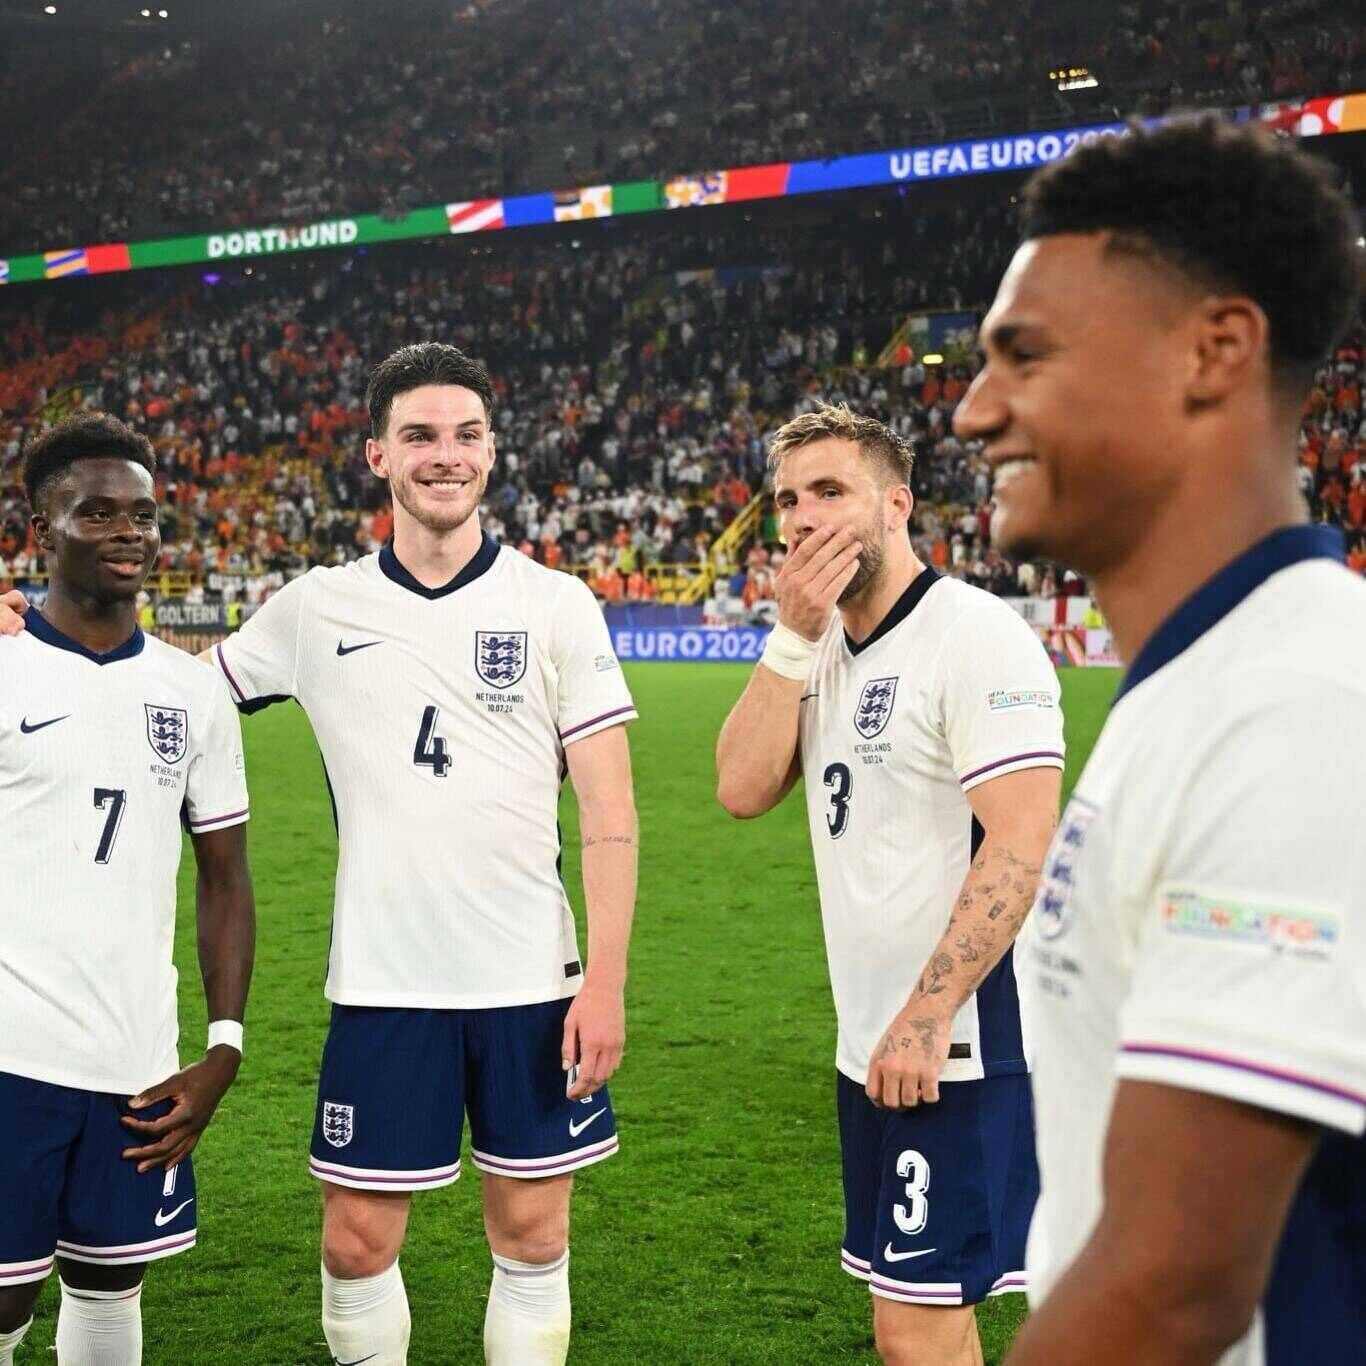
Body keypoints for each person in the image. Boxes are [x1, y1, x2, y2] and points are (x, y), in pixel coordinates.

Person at [948, 117, 1365, 1364]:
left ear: (1211, 351)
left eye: (1021, 355)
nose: (973, 411)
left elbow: (1174, 1286)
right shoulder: (1209, 680)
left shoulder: (1301, 698)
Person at [214, 342, 636, 1366]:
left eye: (464, 436)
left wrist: (607, 984)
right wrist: (42, 635)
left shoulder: (554, 604)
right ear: (377, 456)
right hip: (383, 980)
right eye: (419, 436)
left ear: (492, 452)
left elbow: (612, 816)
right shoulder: (316, 607)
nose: (443, 456)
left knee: (533, 1236)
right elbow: (182, 690)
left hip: (533, 982)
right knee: (356, 1243)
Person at [715, 402, 1063, 1366]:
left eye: (831, 491)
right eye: (788, 498)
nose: (803, 518)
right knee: (915, 1318)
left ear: (896, 503)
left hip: (962, 1042)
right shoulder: (817, 647)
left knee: (916, 1328)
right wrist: (791, 637)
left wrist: (930, 1012)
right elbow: (740, 790)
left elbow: (1022, 841)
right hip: (870, 1042)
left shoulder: (973, 636)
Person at [0, 413, 255, 1366]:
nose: (129, 534)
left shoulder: (193, 694)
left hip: (139, 1061)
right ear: (40, 532)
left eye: (143, 516)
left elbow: (226, 878)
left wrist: (222, 1045)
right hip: (10, 1055)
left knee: (112, 1280)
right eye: (96, 513)